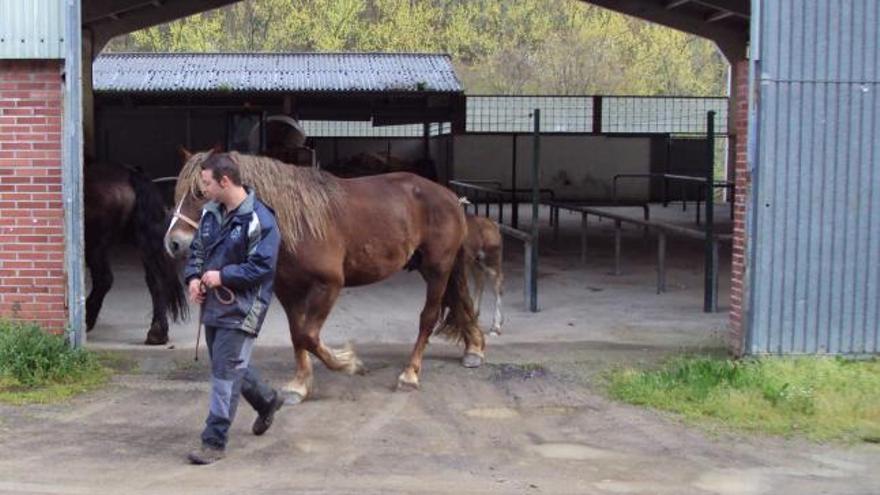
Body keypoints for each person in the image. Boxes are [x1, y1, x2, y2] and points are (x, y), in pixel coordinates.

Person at [184, 153, 284, 465]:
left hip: (243, 308)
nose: (204, 189)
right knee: (229, 365)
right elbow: (198, 250)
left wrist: (222, 276)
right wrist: (192, 278)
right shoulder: (211, 213)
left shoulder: (261, 220)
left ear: (225, 181)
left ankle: (213, 442)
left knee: (224, 375)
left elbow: (262, 269)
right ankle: (267, 400)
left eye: (207, 183)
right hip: (215, 305)